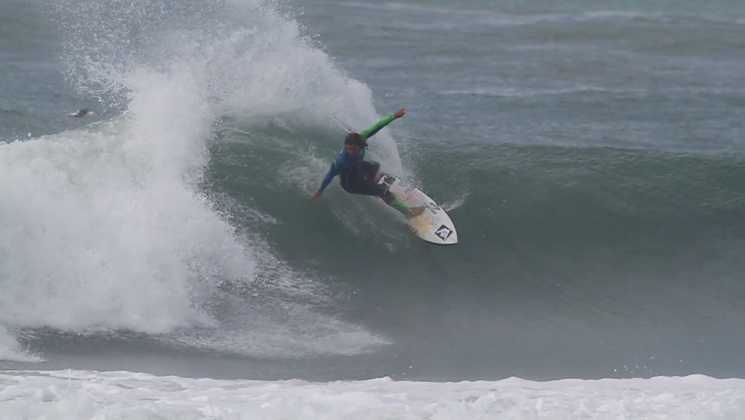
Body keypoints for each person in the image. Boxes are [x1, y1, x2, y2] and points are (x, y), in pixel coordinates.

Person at [311, 108, 425, 218]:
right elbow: (330, 175)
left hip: (357, 167)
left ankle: (371, 183)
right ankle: (407, 212)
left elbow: (378, 125)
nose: (350, 152)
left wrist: (394, 116)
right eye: (348, 148)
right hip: (351, 184)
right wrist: (320, 191)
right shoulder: (341, 161)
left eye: (353, 149)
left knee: (375, 165)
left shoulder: (362, 137)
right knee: (383, 191)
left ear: (361, 145)